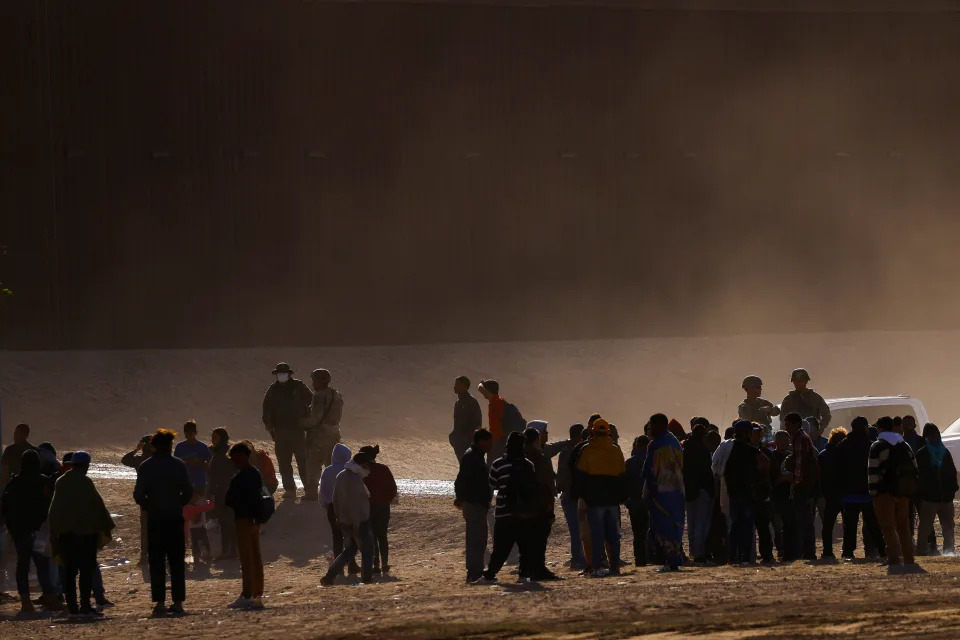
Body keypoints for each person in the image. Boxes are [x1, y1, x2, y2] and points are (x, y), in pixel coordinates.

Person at [134, 429, 194, 617]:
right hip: (174, 518)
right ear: (170, 446)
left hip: (155, 519)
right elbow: (188, 491)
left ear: (153, 446)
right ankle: (178, 602)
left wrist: (149, 505)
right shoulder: (178, 465)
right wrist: (178, 503)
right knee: (176, 561)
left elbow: (138, 494)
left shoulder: (146, 466)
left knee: (157, 561)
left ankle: (160, 602)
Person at [48, 451, 115, 617]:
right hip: (86, 534)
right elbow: (97, 506)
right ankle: (85, 605)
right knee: (86, 570)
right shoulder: (85, 482)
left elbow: (54, 510)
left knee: (70, 572)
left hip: (66, 535)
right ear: (85, 465)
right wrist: (106, 524)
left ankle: (72, 607)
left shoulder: (61, 482)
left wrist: (55, 531)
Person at [0, 449, 59, 613]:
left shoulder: (14, 483)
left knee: (23, 565)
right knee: (42, 565)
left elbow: (5, 507)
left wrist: (12, 528)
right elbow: (50, 506)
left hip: (20, 532)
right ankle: (50, 597)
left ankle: (26, 602)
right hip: (39, 531)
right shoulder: (43, 482)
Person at [477, 431, 538, 583]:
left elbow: (491, 484)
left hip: (504, 511)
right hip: (525, 513)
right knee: (526, 546)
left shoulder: (498, 463)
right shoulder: (528, 465)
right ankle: (524, 575)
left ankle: (490, 574)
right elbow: (533, 487)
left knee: (500, 547)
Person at [869, 416, 918, 567]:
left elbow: (872, 472)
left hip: (884, 493)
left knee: (888, 527)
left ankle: (894, 559)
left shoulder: (877, 446)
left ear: (880, 428)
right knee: (903, 526)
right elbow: (915, 469)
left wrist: (873, 492)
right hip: (902, 492)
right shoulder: (905, 445)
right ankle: (909, 558)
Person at [321, 451, 375, 586]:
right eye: (367, 465)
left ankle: (329, 576)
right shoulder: (355, 479)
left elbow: (335, 499)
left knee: (349, 551)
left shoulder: (341, 476)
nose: (368, 468)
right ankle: (367, 578)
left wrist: (338, 517)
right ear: (362, 464)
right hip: (358, 521)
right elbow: (356, 504)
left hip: (345, 520)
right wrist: (356, 525)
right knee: (368, 550)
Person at [834, 416, 884, 560]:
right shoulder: (871, 446)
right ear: (864, 428)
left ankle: (848, 551)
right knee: (873, 524)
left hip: (849, 493)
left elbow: (837, 470)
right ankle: (882, 549)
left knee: (850, 525)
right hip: (868, 492)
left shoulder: (842, 446)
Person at [641, 414, 686, 572]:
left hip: (661, 492)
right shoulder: (675, 442)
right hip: (677, 490)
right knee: (674, 525)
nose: (651, 428)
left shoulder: (655, 444)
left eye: (652, 425)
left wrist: (647, 492)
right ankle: (673, 558)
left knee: (664, 526)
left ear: (660, 425)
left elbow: (648, 470)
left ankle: (672, 559)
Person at [262, 362, 313, 500]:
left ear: (289, 374)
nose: (281, 375)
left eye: (283, 373)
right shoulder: (272, 390)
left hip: (298, 430)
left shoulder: (299, 386)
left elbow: (312, 401)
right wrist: (267, 423)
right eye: (279, 373)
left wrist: (307, 420)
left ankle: (309, 489)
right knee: (284, 461)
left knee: (303, 461)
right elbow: (266, 407)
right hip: (280, 431)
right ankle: (290, 489)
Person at [225, 442, 266, 610]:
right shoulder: (254, 473)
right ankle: (256, 594)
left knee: (247, 559)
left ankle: (247, 594)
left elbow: (230, 499)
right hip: (253, 521)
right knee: (255, 557)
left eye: (235, 457)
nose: (233, 461)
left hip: (244, 520)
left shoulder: (243, 475)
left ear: (242, 456)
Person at [454, 429, 493, 583]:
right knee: (476, 538)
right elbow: (461, 480)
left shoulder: (475, 456)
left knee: (479, 538)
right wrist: (462, 501)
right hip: (474, 504)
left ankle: (475, 570)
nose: (491, 445)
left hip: (477, 504)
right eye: (489, 442)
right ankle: (474, 572)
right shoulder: (472, 457)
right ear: (481, 441)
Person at [522, 425, 561, 581]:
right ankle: (538, 569)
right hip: (540, 503)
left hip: (523, 503)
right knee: (540, 538)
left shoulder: (518, 456)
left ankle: (528, 569)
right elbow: (547, 483)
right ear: (536, 439)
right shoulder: (540, 457)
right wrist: (550, 506)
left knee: (527, 538)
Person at [302, 368, 345, 501]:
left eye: (314, 381)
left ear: (319, 381)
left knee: (314, 464)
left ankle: (312, 493)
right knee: (332, 463)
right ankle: (336, 491)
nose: (313, 384)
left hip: (319, 435)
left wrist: (302, 422)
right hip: (334, 434)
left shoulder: (319, 395)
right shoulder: (336, 394)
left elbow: (316, 418)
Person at [915, 422, 957, 556]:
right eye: (931, 435)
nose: (934, 438)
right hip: (929, 499)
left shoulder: (944, 453)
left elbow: (952, 473)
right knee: (925, 528)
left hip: (946, 498)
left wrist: (951, 491)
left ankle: (949, 551)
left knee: (948, 527)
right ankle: (921, 551)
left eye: (936, 435)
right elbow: (919, 477)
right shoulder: (921, 455)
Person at [782, 412, 819, 561]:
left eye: (788, 424)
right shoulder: (802, 437)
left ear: (794, 424)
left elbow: (799, 464)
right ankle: (807, 552)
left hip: (803, 486)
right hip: (806, 484)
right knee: (805, 520)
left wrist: (796, 483)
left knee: (804, 520)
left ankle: (808, 553)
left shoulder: (799, 438)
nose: (786, 427)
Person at [319, 443, 360, 576]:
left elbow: (323, 492)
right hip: (348, 507)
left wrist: (326, 506)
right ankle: (351, 565)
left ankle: (339, 568)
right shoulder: (350, 470)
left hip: (332, 508)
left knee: (337, 538)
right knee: (350, 537)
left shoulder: (327, 471)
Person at [725, 421, 762, 564]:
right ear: (746, 433)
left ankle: (732, 557)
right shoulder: (750, 450)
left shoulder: (729, 448)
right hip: (746, 493)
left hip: (733, 492)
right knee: (746, 527)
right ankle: (745, 557)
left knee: (735, 526)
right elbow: (764, 463)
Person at [359, 445, 397, 575]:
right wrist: (387, 500)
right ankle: (385, 563)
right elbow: (393, 488)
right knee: (382, 536)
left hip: (368, 507)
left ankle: (376, 564)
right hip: (383, 506)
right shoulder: (384, 469)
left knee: (372, 536)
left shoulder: (363, 471)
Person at [683, 423, 714, 563]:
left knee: (691, 523)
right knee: (701, 523)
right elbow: (707, 472)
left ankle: (693, 551)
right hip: (702, 490)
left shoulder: (684, 449)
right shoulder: (703, 450)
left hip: (688, 491)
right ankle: (699, 554)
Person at [556, 424, 587, 571]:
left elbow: (561, 477)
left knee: (576, 529)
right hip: (574, 495)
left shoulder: (565, 452)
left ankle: (579, 559)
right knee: (579, 529)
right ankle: (579, 559)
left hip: (569, 495)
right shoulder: (578, 452)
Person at [478, 379, 526, 465]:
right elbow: (481, 389)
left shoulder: (496, 402)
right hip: (500, 440)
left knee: (493, 466)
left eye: (485, 390)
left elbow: (480, 388)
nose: (483, 392)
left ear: (488, 391)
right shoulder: (498, 400)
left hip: (498, 441)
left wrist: (481, 383)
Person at [818, 427, 847, 560]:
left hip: (829, 494)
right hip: (845, 492)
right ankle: (847, 550)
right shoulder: (845, 454)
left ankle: (828, 551)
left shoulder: (823, 454)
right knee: (848, 523)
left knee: (828, 525)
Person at [208, 428, 237, 560]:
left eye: (216, 437)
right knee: (224, 523)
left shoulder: (224, 455)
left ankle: (231, 551)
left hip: (226, 493)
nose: (213, 440)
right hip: (221, 493)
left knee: (228, 523)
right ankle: (227, 551)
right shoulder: (217, 454)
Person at [750, 424, 775, 564]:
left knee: (764, 527)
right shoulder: (746, 451)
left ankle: (767, 555)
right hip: (749, 494)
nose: (758, 437)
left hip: (762, 494)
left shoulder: (764, 452)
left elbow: (772, 470)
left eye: (759, 434)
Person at [625, 435, 650, 566]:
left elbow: (623, 484)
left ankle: (640, 560)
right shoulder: (652, 460)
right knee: (650, 530)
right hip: (649, 502)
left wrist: (626, 500)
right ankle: (651, 556)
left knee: (638, 534)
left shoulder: (629, 463)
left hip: (634, 503)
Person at [770, 430, 793, 561]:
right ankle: (780, 549)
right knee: (777, 526)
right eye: (781, 441)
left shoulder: (792, 456)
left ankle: (788, 550)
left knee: (788, 525)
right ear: (776, 442)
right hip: (776, 495)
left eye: (786, 441)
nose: (784, 443)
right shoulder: (772, 457)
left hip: (789, 495)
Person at [450, 375, 483, 463]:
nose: (454, 387)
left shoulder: (471, 402)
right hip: (459, 441)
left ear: (464, 387)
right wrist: (453, 437)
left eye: (457, 385)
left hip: (468, 442)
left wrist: (471, 440)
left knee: (468, 465)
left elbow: (477, 423)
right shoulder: (458, 402)